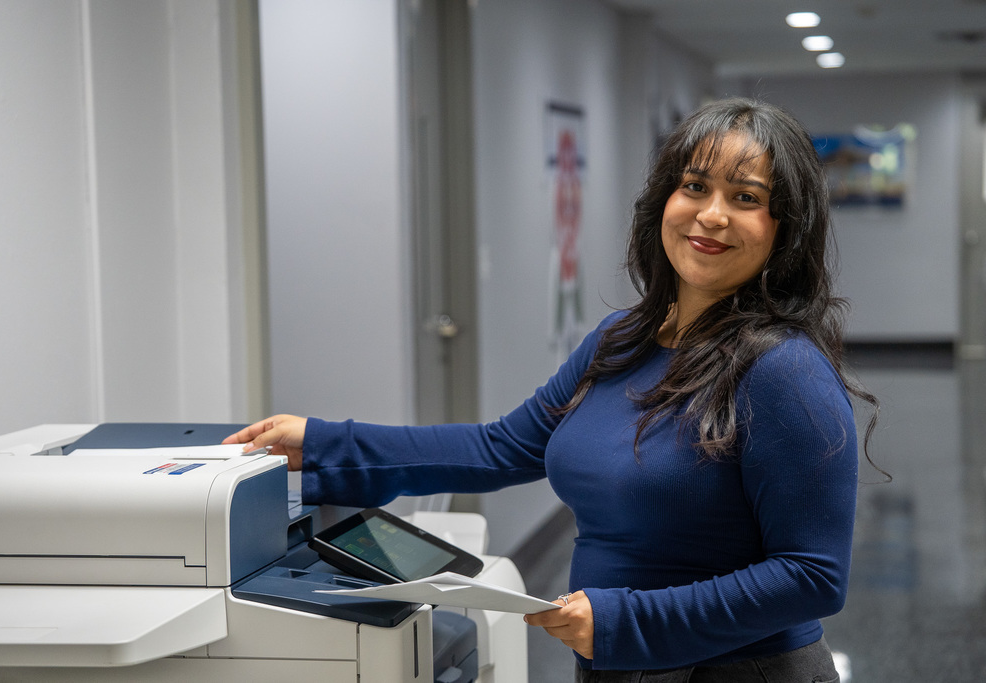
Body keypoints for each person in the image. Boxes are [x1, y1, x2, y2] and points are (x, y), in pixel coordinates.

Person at [224, 97, 878, 682]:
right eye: (694, 186)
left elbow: (811, 575)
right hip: (622, 661)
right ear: (663, 201)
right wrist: (324, 442)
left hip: (739, 670)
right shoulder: (621, 340)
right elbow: (499, 447)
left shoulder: (783, 372)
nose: (710, 215)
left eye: (745, 197)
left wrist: (628, 620)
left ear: (783, 228)